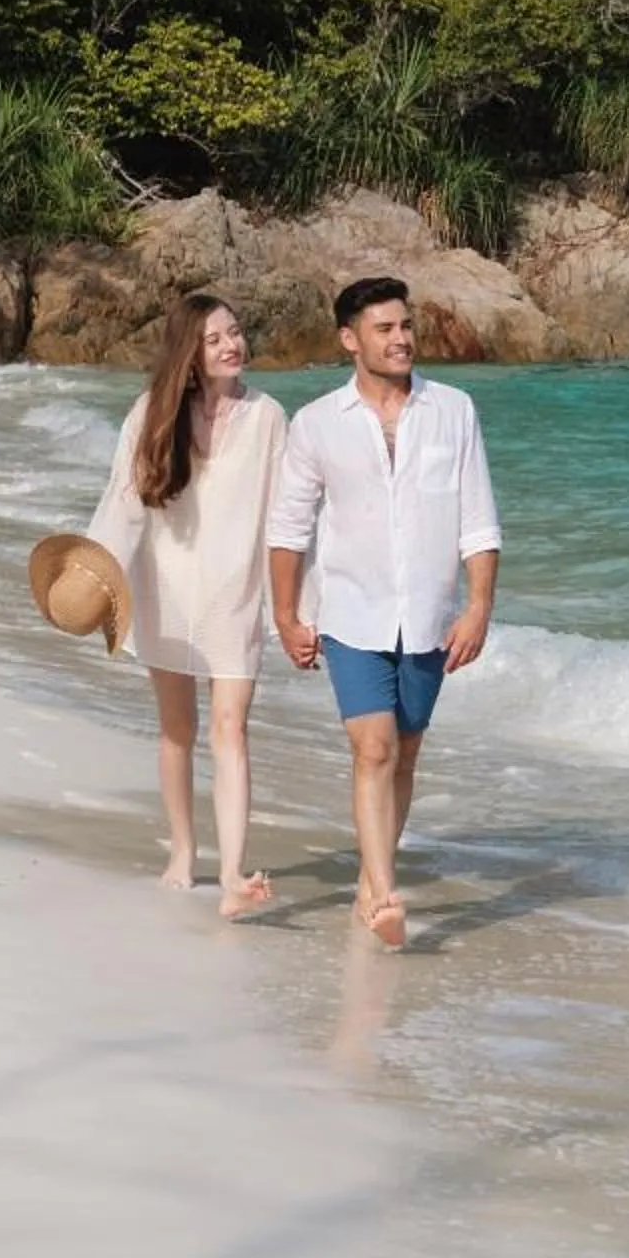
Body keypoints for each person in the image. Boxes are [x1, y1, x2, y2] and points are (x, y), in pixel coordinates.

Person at [267, 277, 501, 950]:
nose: (402, 339)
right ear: (350, 339)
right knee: (373, 749)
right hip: (350, 613)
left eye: (406, 326)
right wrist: (286, 617)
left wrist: (478, 605)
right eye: (385, 329)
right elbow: (288, 528)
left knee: (404, 754)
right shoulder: (317, 423)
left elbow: (478, 519)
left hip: (428, 615)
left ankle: (370, 887)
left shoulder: (453, 410)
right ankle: (384, 892)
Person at [87, 292, 289, 919]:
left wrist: (295, 605)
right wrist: (96, 579)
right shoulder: (151, 411)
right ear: (189, 353)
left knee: (232, 728)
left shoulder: (267, 416)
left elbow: (285, 517)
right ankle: (183, 848)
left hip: (235, 592)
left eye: (236, 332)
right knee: (178, 728)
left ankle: (232, 873)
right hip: (165, 587)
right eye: (214, 339)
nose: (232, 345)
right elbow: (123, 503)